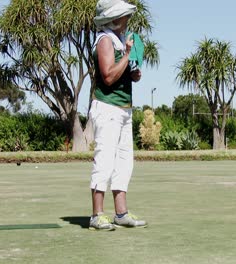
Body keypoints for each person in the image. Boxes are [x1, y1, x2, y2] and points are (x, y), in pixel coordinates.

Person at [88, 0, 146, 231]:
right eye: (123, 16)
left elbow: (122, 74)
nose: (127, 20)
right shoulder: (104, 40)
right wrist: (127, 55)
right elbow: (108, 77)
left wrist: (133, 73)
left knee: (124, 161)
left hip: (124, 109)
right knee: (104, 160)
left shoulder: (121, 41)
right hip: (107, 108)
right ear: (113, 19)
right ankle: (97, 215)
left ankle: (121, 213)